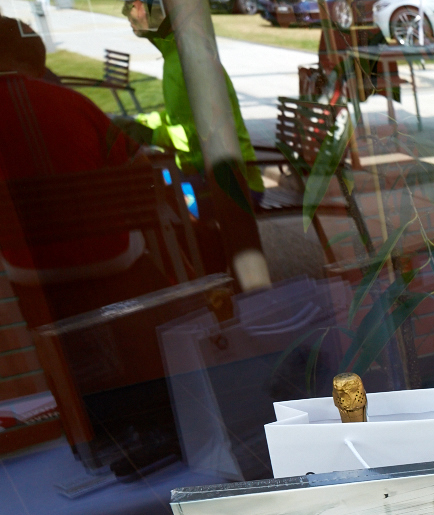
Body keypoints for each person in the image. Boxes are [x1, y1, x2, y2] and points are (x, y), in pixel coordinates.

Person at [0, 16, 171, 326]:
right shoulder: (73, 102)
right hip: (112, 257)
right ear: (37, 67)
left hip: (23, 273)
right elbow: (140, 171)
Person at [123, 0, 263, 200]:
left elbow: (202, 134)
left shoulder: (190, 59)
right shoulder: (176, 56)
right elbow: (181, 117)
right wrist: (139, 122)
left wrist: (149, 134)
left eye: (133, 4)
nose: (126, 12)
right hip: (204, 174)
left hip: (235, 186)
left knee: (148, 197)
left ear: (161, 10)